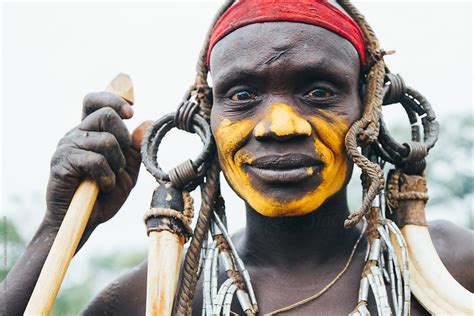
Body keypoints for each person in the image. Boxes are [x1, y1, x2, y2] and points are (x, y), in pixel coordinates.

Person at [1, 0, 473, 315]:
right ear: (206, 117)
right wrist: (58, 231)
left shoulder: (454, 267)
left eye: (319, 90)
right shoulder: (149, 299)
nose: (280, 125)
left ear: (368, 108)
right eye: (243, 94)